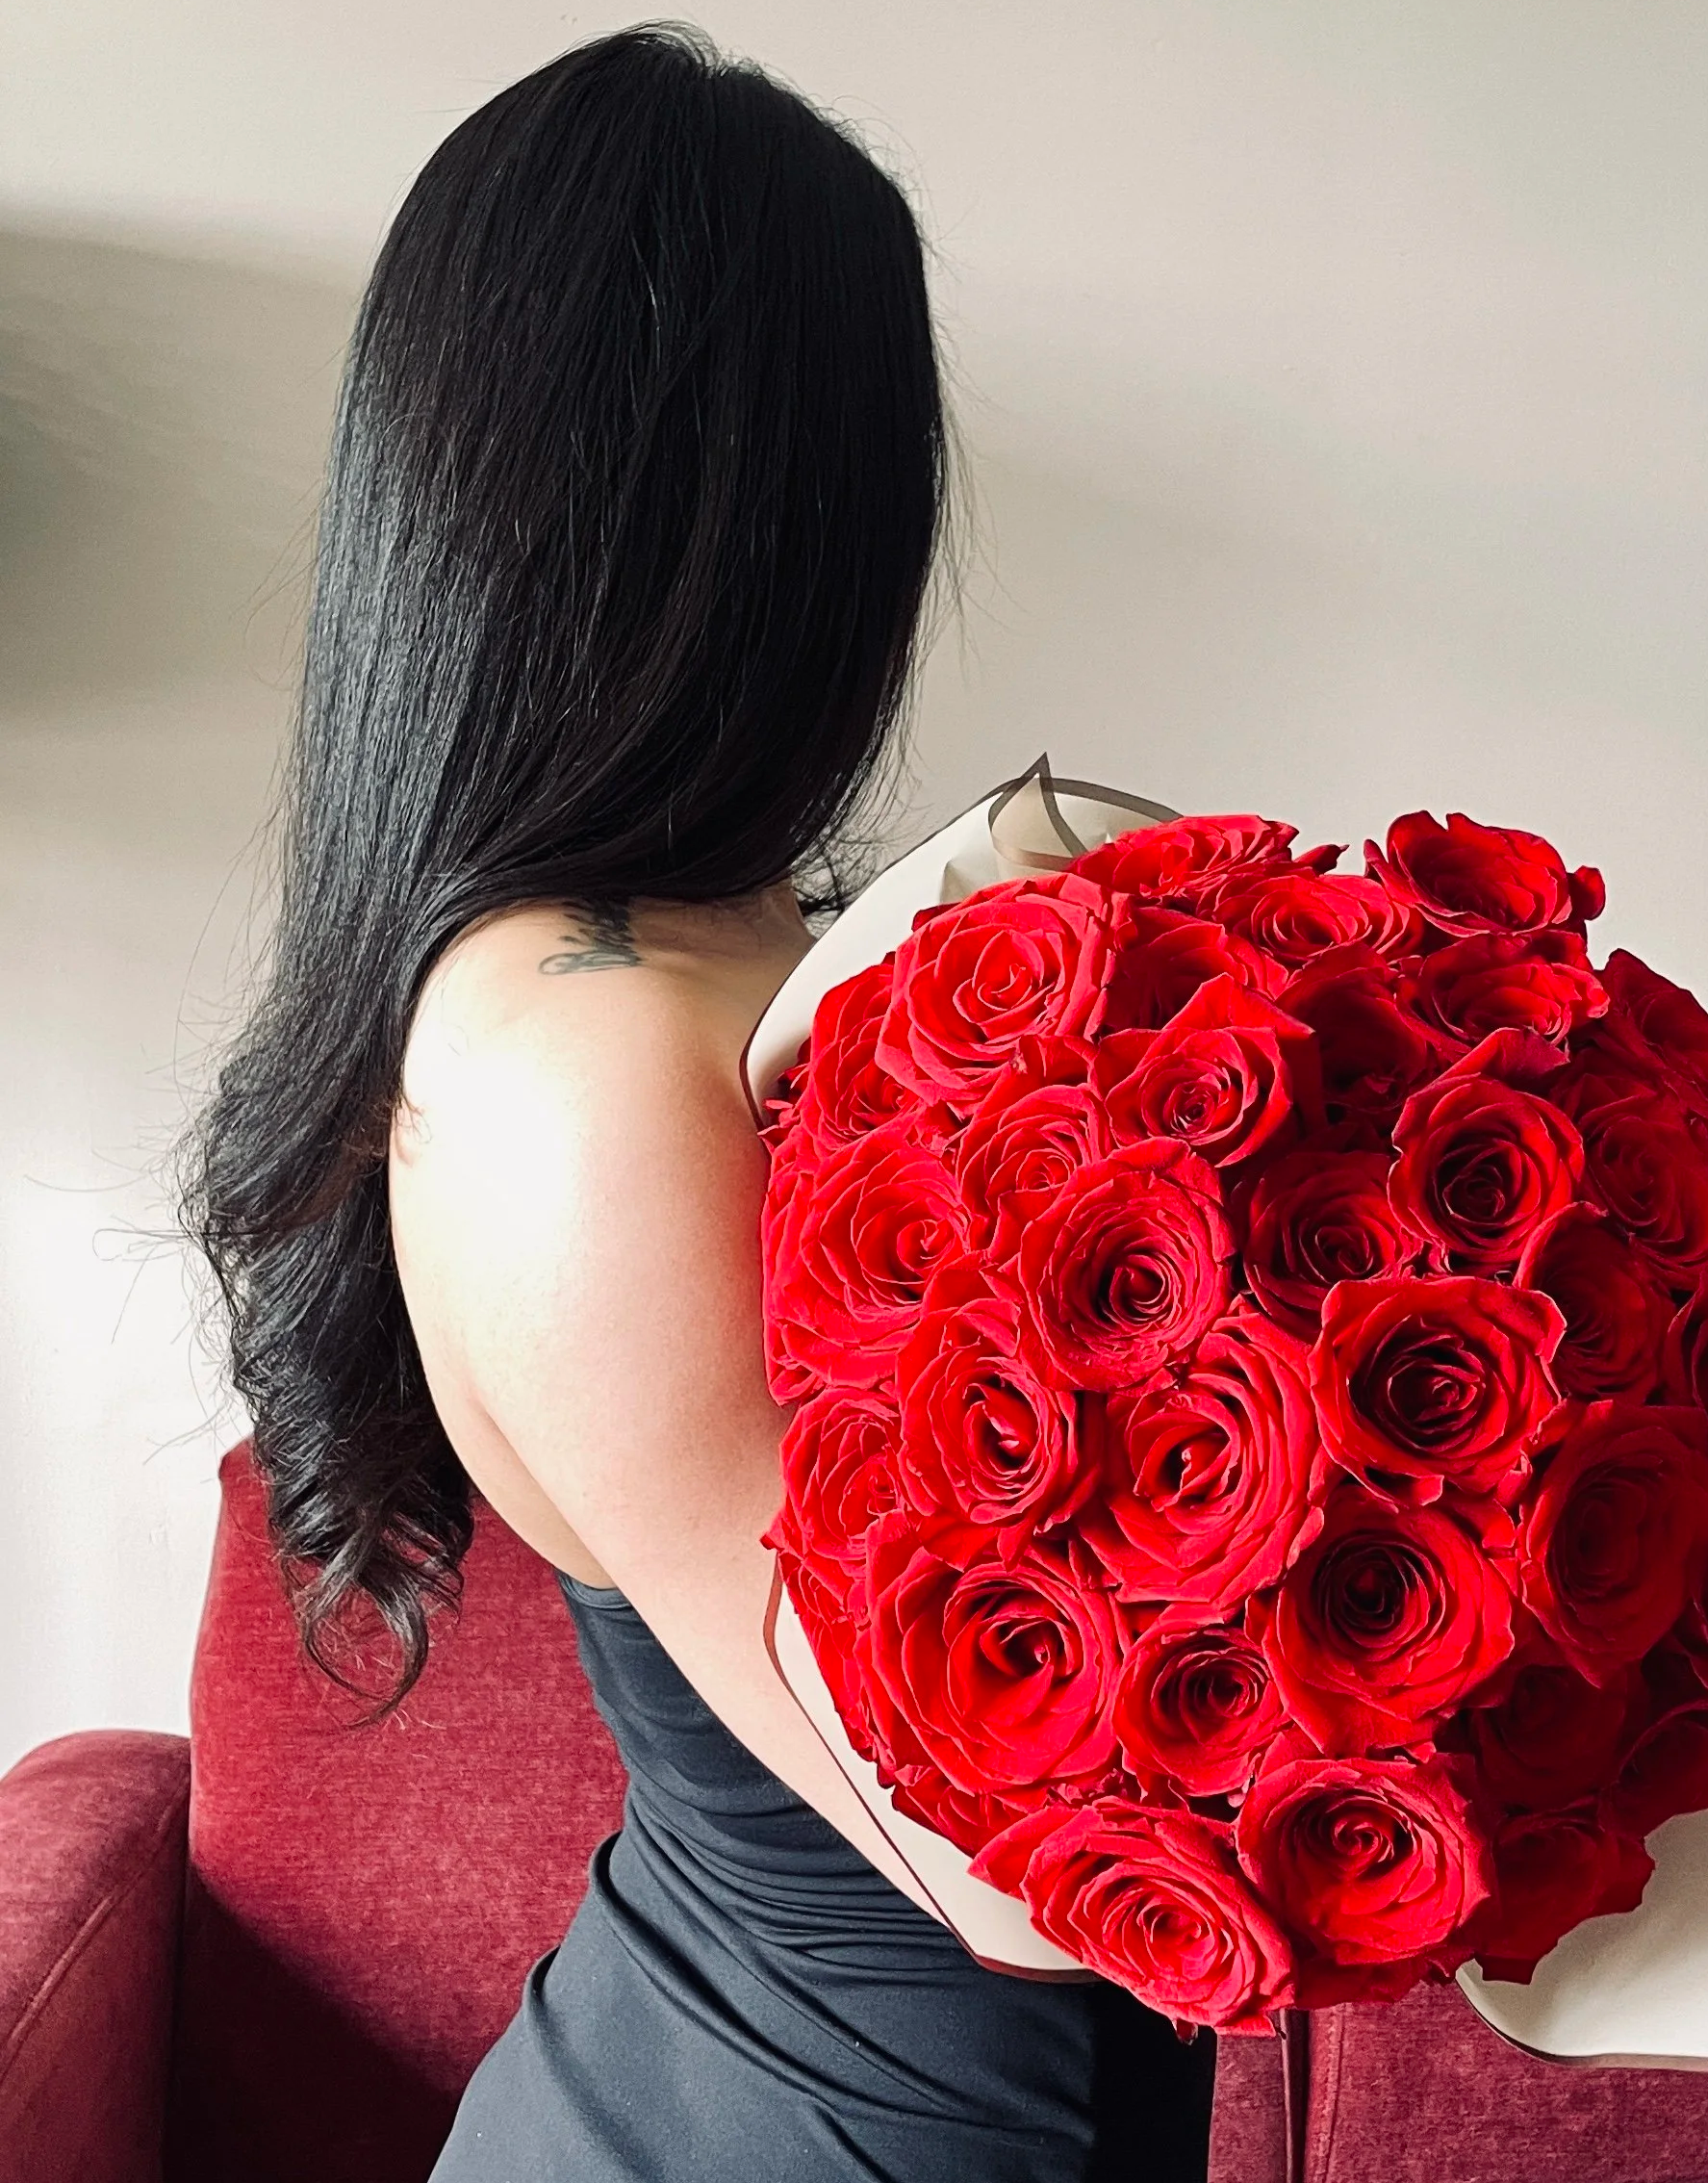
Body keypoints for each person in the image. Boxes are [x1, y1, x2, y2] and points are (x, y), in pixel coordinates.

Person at [184, 26, 1217, 2182]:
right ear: (810, 509)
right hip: (827, 2132)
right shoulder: (586, 1057)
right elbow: (1018, 1871)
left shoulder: (701, 962)